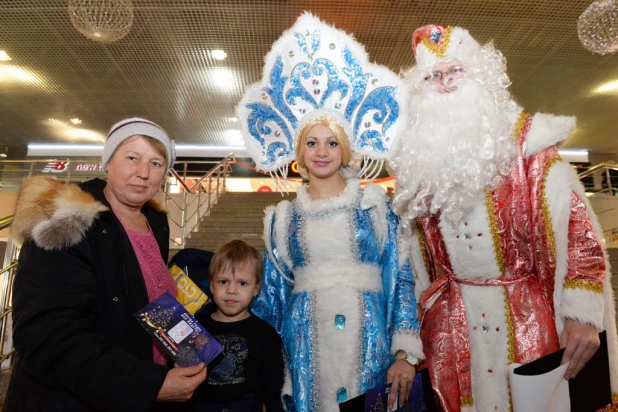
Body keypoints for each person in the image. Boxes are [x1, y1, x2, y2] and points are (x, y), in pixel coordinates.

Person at [389, 24, 618, 411]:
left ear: (481, 75)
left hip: (529, 319)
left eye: (455, 71)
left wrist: (581, 314)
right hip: (450, 331)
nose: (445, 83)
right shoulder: (419, 167)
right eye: (433, 75)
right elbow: (411, 268)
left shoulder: (529, 147)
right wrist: (408, 345)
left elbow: (577, 231)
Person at [236, 13, 423, 412]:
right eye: (312, 143)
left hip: (370, 347)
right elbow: (271, 299)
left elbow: (400, 277)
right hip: (305, 349)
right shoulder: (282, 219)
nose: (322, 152)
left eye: (331, 143)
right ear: (298, 153)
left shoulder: (374, 205)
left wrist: (405, 352)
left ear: (344, 150)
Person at [5, 117, 207, 411]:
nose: (142, 173)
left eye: (156, 163)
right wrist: (149, 384)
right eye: (132, 158)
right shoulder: (68, 218)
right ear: (108, 162)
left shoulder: (155, 221)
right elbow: (48, 338)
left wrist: (193, 349)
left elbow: (147, 297)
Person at [191, 240, 284, 412]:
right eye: (223, 281)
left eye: (242, 283)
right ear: (212, 285)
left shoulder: (266, 334)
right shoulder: (196, 330)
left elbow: (273, 390)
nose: (231, 290)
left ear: (256, 289)